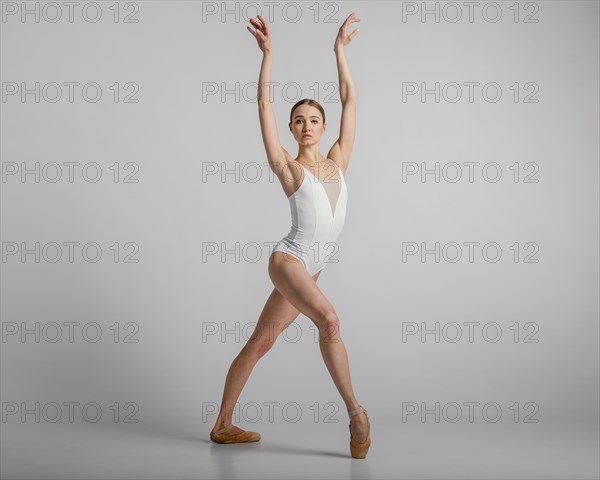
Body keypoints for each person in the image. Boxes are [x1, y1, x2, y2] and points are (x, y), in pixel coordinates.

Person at [210, 12, 371, 459]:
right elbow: (263, 108)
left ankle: (222, 424)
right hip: (289, 261)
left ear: (323, 127)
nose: (305, 125)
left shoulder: (339, 160)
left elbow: (350, 102)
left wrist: (337, 51)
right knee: (331, 322)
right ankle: (357, 415)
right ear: (291, 129)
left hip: (310, 271)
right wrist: (268, 56)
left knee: (261, 341)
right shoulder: (289, 168)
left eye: (313, 119)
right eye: (297, 120)